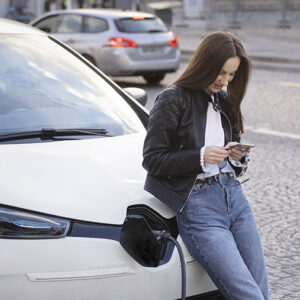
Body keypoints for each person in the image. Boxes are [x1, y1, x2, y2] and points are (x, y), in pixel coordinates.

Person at [142, 31, 271, 299]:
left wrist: (236, 155)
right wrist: (200, 156)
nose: (225, 81)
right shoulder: (172, 99)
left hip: (234, 197)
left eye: (232, 75)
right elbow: (152, 159)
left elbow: (230, 146)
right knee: (249, 295)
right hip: (199, 207)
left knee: (261, 290)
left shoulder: (223, 100)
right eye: (221, 72)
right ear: (205, 64)